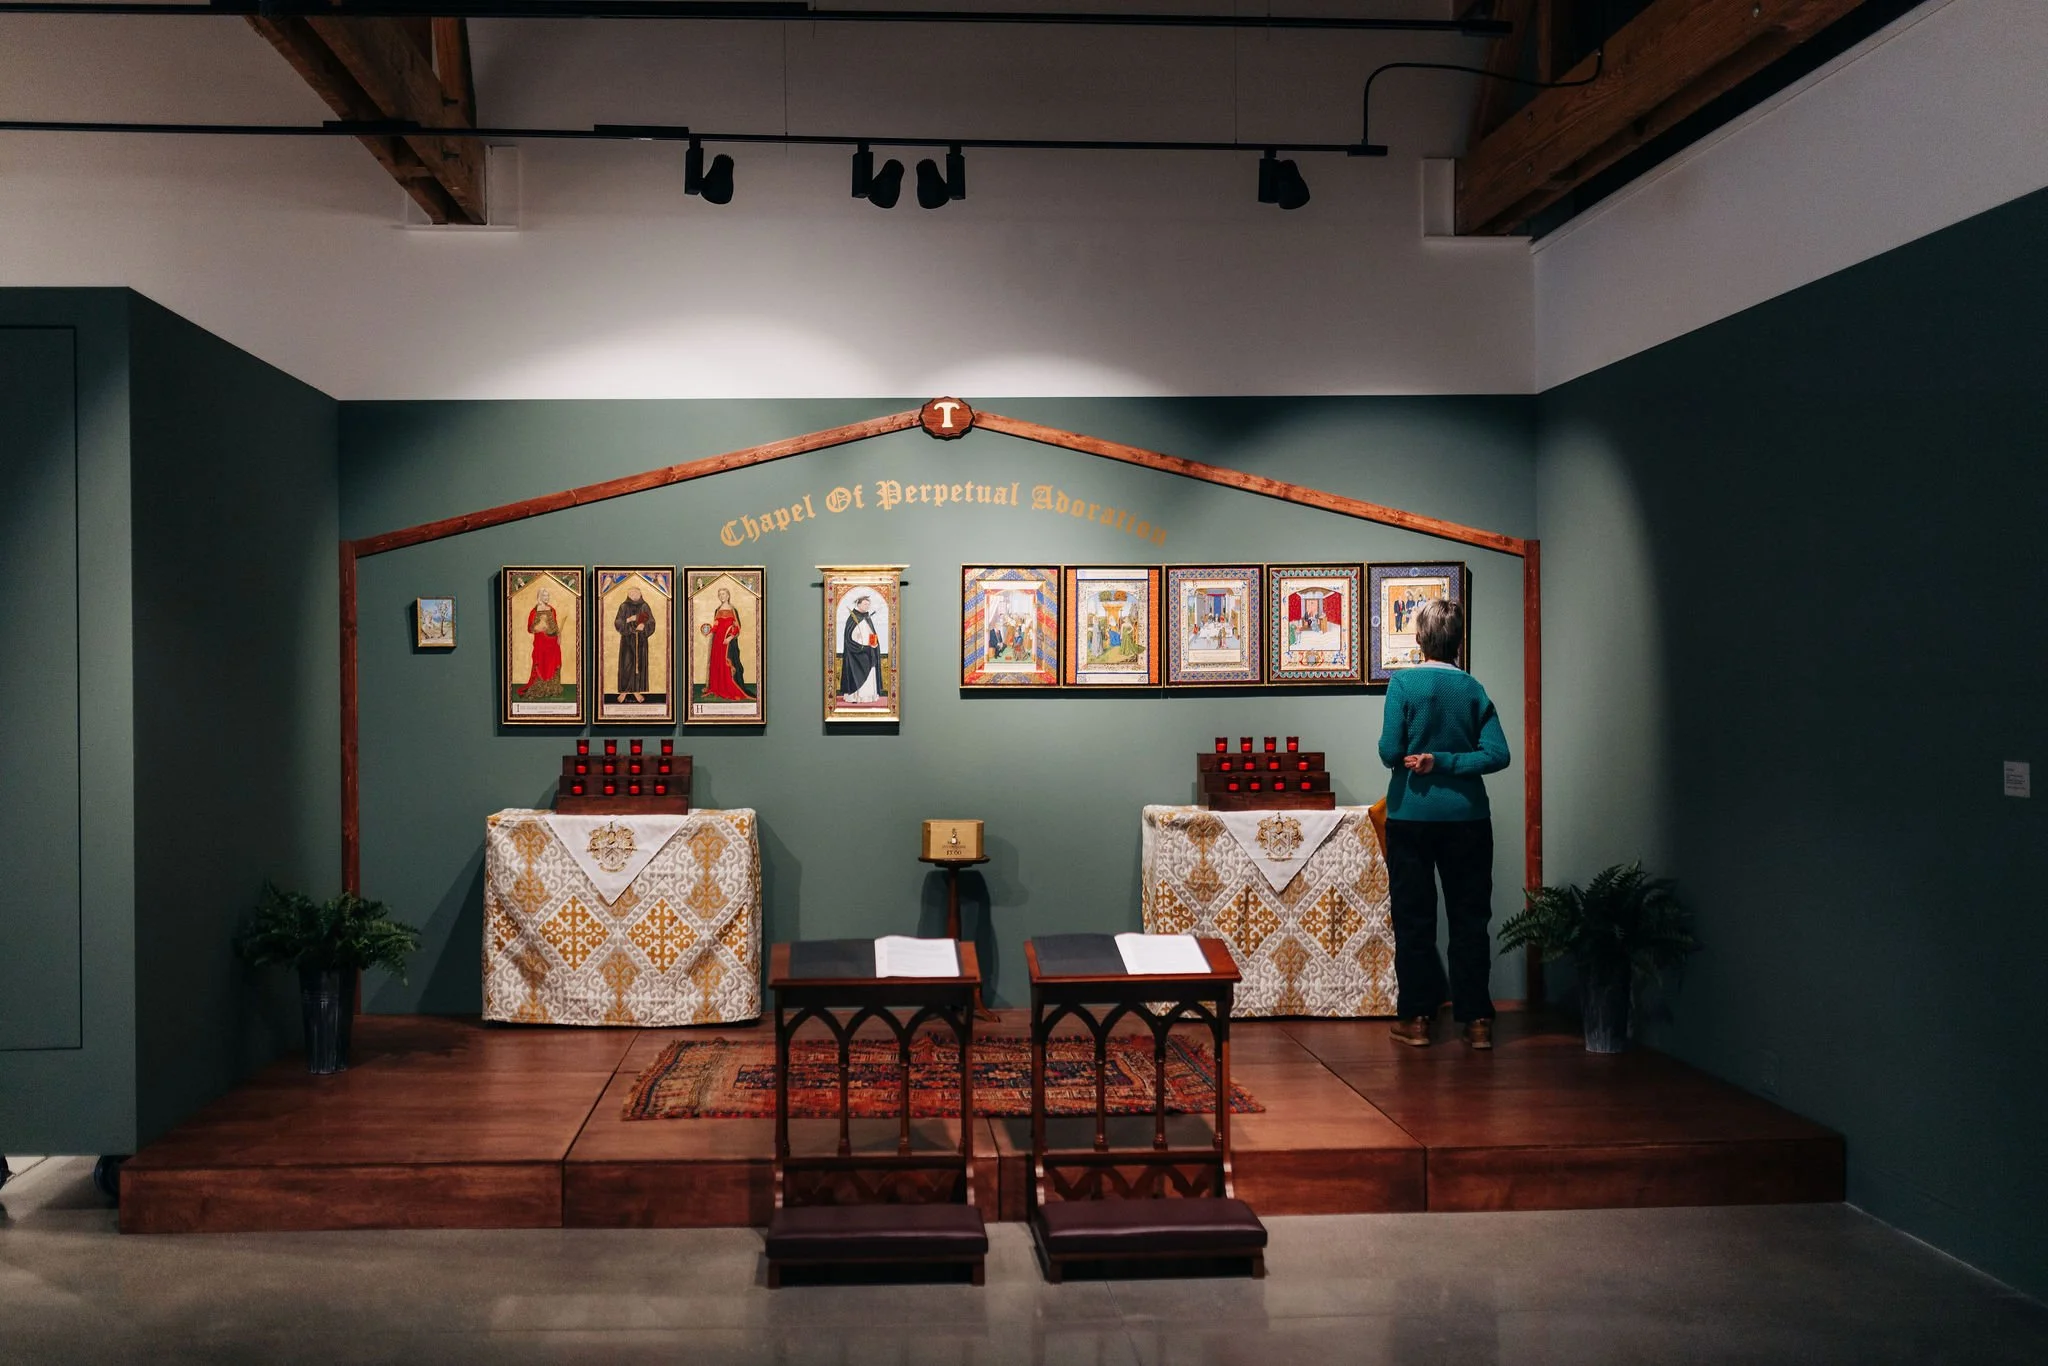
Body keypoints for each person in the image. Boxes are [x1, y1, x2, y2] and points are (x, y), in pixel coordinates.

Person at [1377, 598, 1510, 1049]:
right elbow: (1498, 754)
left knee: (1414, 919)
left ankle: (1417, 1020)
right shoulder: (1473, 688)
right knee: (1470, 919)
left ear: (1419, 639)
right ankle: (1477, 1023)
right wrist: (1450, 761)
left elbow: (1389, 751)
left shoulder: (1403, 684)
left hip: (1410, 817)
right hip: (1467, 819)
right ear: (1458, 640)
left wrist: (1425, 758)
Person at [700, 587, 749, 702]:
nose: (722, 596)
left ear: (728, 596)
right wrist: (709, 631)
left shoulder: (733, 610)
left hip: (728, 642)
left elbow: (737, 627)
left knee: (727, 663)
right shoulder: (717, 610)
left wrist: (730, 637)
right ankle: (718, 687)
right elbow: (716, 625)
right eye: (720, 594)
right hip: (718, 641)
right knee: (718, 662)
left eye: (723, 594)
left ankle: (728, 687)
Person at [838, 593, 884, 704]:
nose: (867, 606)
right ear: (858, 604)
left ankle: (868, 697)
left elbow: (871, 633)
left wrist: (874, 644)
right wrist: (860, 645)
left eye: (868, 604)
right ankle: (855, 697)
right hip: (856, 653)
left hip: (868, 651)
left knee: (870, 674)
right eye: (865, 604)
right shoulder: (853, 618)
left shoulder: (867, 617)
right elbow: (849, 638)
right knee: (856, 674)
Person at [613, 585, 656, 703]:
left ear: (640, 594)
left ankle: (637, 691)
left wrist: (643, 625)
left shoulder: (644, 606)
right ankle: (624, 692)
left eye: (636, 593)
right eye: (631, 593)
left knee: (639, 666)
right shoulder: (623, 606)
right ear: (628, 595)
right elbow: (618, 622)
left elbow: (651, 621)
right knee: (626, 665)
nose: (633, 595)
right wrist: (629, 620)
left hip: (641, 641)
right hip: (627, 640)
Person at [521, 586, 563, 699]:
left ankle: (552, 688)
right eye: (544, 596)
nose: (547, 597)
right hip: (541, 642)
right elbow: (530, 628)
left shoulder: (552, 609)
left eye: (548, 595)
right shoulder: (534, 611)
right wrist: (539, 627)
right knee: (541, 663)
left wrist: (559, 636)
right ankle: (540, 687)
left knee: (553, 663)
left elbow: (555, 624)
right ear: (540, 596)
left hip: (553, 642)